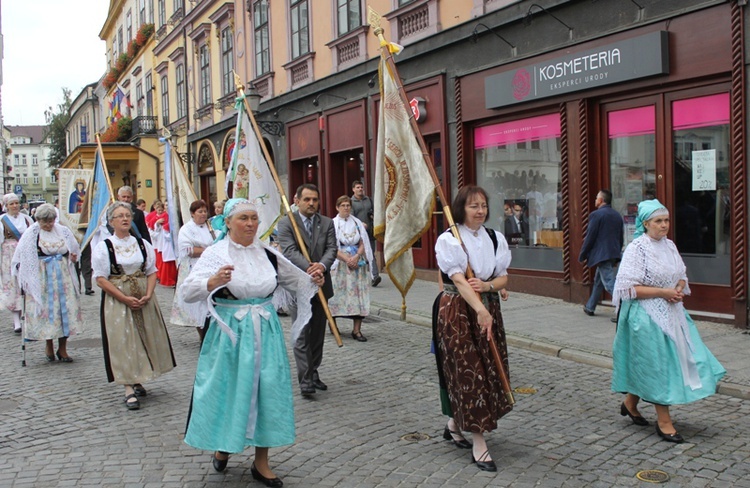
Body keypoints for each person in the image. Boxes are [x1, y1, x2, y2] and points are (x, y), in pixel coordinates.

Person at [181, 198, 321, 485]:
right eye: (243, 218)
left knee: (267, 392)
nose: (250, 224)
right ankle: (223, 447)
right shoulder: (216, 254)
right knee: (230, 391)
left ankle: (262, 462)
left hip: (265, 332)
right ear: (228, 222)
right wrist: (212, 282)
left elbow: (294, 282)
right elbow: (188, 291)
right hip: (230, 335)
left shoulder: (268, 254)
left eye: (254, 218)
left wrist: (312, 276)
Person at [611, 199, 725, 444]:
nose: (664, 226)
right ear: (646, 223)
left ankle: (630, 402)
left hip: (673, 312)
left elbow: (681, 274)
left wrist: (679, 288)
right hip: (646, 316)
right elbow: (628, 288)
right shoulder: (637, 248)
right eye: (658, 221)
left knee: (684, 360)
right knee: (658, 366)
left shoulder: (669, 245)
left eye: (666, 220)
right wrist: (664, 293)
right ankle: (664, 422)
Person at [434, 185, 512, 472]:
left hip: (488, 310)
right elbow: (458, 279)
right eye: (473, 206)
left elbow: (503, 277)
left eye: (483, 206)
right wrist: (479, 309)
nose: (480, 211)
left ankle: (455, 424)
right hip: (458, 312)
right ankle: (479, 443)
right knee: (470, 373)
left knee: (489, 368)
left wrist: (489, 287)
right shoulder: (450, 240)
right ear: (461, 209)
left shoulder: (495, 238)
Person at [93, 202, 176, 410]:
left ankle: (138, 377)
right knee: (123, 340)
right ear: (111, 222)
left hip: (143, 296)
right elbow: (101, 279)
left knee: (143, 337)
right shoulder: (105, 247)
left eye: (128, 215)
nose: (125, 219)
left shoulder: (142, 244)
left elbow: (151, 271)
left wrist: (148, 294)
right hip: (118, 298)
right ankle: (128, 387)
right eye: (120, 216)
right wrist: (124, 297)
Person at [277, 184, 337, 398]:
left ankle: (314, 371)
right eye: (307, 199)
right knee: (302, 332)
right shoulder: (286, 223)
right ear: (297, 200)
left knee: (318, 334)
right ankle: (305, 380)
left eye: (315, 199)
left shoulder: (327, 223)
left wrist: (321, 267)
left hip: (322, 283)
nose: (311, 203)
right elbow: (290, 251)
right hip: (299, 285)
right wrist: (310, 270)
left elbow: (332, 248)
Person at [11, 204, 82, 362]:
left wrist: (73, 256)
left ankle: (63, 349)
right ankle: (49, 344)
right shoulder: (32, 234)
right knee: (48, 312)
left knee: (65, 311)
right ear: (38, 220)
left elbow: (74, 248)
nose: (48, 224)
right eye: (45, 222)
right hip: (43, 278)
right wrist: (26, 276)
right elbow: (21, 256)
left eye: (51, 221)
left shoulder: (63, 231)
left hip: (63, 277)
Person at [329, 195, 375, 342]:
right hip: (340, 264)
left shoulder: (357, 223)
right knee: (337, 294)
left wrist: (356, 257)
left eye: (348, 205)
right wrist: (346, 259)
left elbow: (363, 242)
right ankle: (333, 325)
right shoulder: (332, 224)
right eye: (343, 205)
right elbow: (331, 247)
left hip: (356, 264)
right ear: (337, 207)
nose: (346, 208)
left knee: (358, 295)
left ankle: (357, 330)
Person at [170, 199, 215, 342]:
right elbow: (188, 250)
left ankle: (211, 331)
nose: (203, 214)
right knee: (197, 302)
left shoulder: (211, 227)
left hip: (211, 267)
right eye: (200, 211)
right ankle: (202, 333)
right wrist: (208, 250)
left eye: (204, 211)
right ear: (192, 213)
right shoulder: (186, 229)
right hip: (193, 267)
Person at [579, 189, 624, 320]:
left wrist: (583, 254)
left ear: (601, 200)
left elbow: (590, 237)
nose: (595, 200)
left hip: (602, 254)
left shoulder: (596, 215)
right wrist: (617, 253)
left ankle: (624, 308)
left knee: (610, 283)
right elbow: (620, 237)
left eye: (596, 197)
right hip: (612, 252)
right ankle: (590, 306)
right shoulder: (616, 215)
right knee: (599, 281)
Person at [1, 193, 34, 332]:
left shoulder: (27, 219)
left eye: (16, 203)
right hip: (9, 255)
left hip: (25, 255)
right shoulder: (2, 221)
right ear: (6, 206)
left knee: (26, 285)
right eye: (11, 204)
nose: (14, 206)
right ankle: (16, 321)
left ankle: (27, 317)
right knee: (13, 286)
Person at [350, 180, 381, 287]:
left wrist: (372, 216)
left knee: (371, 253)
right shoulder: (351, 202)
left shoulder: (368, 200)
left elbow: (374, 211)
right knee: (358, 255)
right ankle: (356, 276)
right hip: (358, 233)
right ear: (353, 189)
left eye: (361, 187)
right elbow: (351, 218)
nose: (360, 189)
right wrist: (359, 223)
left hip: (369, 231)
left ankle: (375, 276)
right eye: (358, 187)